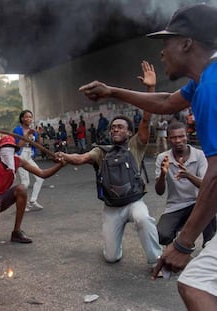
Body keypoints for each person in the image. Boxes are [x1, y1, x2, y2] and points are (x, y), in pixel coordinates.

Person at [78, 4, 217, 309]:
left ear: (186, 43)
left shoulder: (212, 88)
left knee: (195, 286)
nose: (162, 53)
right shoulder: (203, 81)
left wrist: (183, 243)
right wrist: (112, 91)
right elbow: (167, 101)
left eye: (165, 43)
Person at [57, 61, 162, 270]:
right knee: (111, 257)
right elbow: (80, 158)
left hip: (134, 202)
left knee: (143, 218)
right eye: (113, 127)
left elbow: (146, 118)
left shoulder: (136, 146)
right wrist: (65, 157)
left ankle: (157, 261)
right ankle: (114, 247)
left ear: (129, 132)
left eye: (120, 127)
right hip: (112, 208)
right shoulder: (100, 151)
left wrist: (150, 88)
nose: (115, 130)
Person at [0, 135, 65, 243]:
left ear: (14, 151)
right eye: (5, 148)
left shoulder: (17, 161)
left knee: (21, 189)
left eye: (10, 148)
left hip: (3, 198)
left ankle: (16, 232)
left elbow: (42, 173)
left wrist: (60, 165)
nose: (7, 151)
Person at [155, 121, 216, 249]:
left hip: (198, 202)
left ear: (186, 136)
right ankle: (177, 247)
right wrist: (162, 174)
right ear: (168, 139)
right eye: (173, 137)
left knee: (209, 204)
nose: (178, 140)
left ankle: (208, 246)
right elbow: (159, 192)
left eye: (181, 136)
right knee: (162, 235)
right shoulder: (163, 158)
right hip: (175, 205)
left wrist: (188, 175)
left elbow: (206, 185)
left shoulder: (199, 155)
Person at [13, 110, 45, 211]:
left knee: (40, 177)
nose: (29, 119)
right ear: (22, 118)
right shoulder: (17, 130)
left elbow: (38, 145)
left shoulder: (32, 130)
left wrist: (39, 134)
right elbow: (18, 145)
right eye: (26, 117)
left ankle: (33, 200)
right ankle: (23, 204)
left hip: (28, 156)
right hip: (20, 156)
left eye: (30, 117)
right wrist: (27, 135)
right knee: (25, 182)